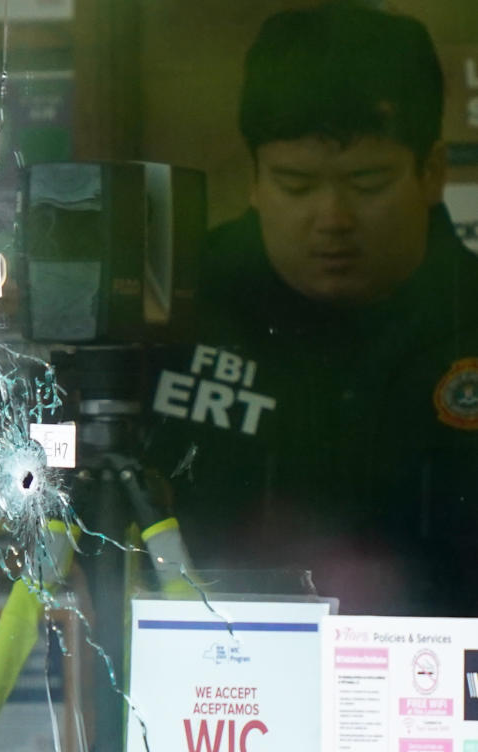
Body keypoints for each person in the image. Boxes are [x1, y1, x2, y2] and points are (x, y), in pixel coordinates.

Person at [145, 0, 478, 617]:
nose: (331, 220)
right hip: (214, 689)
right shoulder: (173, 307)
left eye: (367, 183)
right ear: (254, 177)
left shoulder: (467, 314)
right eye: (296, 185)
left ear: (431, 172)